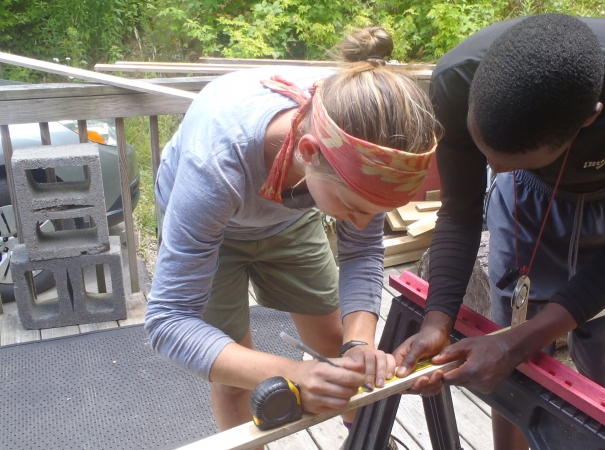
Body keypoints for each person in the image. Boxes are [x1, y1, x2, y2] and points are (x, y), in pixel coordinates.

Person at [392, 14, 605, 449]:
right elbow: (460, 211)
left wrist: (515, 345)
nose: (494, 171)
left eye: (512, 160)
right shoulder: (457, 77)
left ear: (589, 120)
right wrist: (436, 319)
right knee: (507, 362)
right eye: (485, 152)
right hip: (526, 199)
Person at [144, 26, 439, 447]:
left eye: (373, 211)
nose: (361, 224)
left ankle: (365, 441)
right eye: (354, 208)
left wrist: (359, 345)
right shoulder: (214, 163)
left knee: (338, 344)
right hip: (215, 224)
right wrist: (292, 373)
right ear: (308, 152)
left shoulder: (358, 148)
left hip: (291, 211)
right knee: (234, 378)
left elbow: (362, 252)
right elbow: (169, 320)